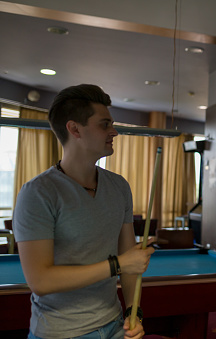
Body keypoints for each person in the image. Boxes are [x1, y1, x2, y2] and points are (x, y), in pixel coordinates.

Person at [13, 84, 155, 339]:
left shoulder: (119, 186)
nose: (114, 131)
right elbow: (41, 282)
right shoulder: (37, 193)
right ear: (74, 129)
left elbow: (130, 258)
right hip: (60, 333)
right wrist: (118, 265)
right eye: (104, 124)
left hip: (114, 325)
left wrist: (134, 311)